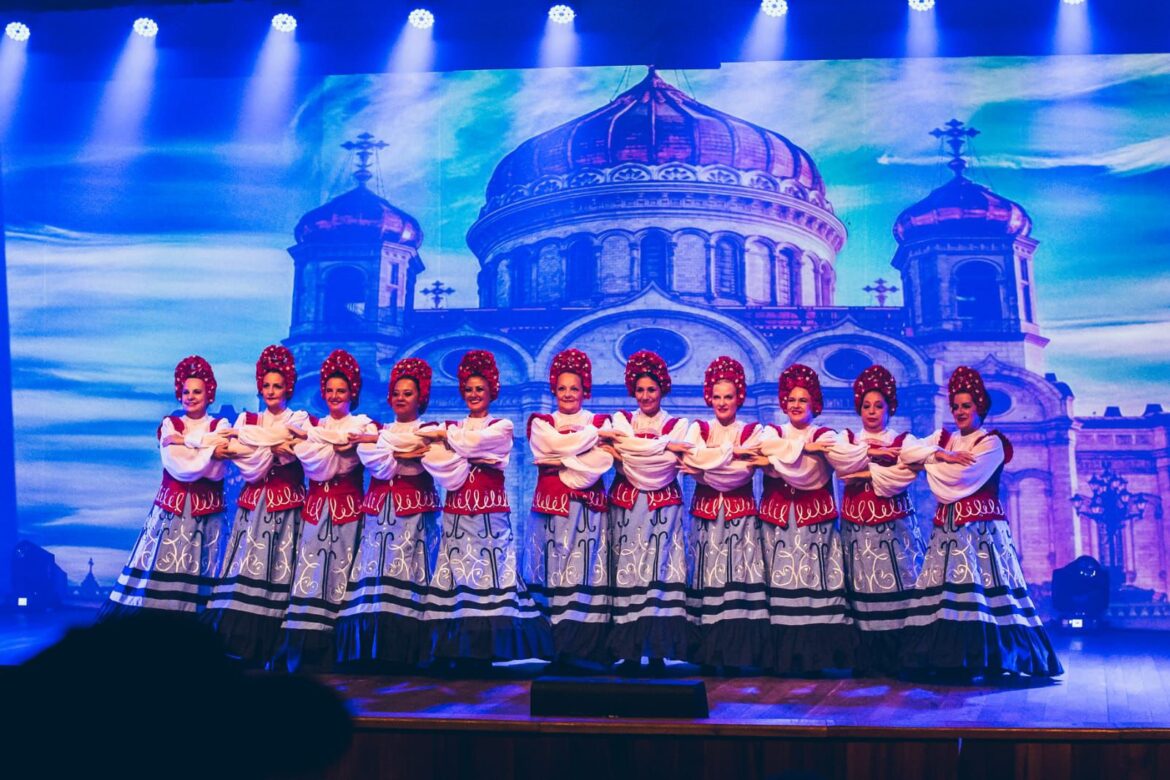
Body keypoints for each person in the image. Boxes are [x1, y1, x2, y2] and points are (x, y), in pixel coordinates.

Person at [898, 366, 1063, 678]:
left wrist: (928, 462)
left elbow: (960, 479)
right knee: (946, 594)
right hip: (948, 531)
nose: (960, 412)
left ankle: (986, 658)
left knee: (984, 591)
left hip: (981, 531)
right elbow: (906, 451)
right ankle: (945, 659)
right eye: (956, 406)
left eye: (966, 406)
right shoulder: (945, 439)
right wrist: (940, 454)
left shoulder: (991, 443)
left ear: (979, 408)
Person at [419, 349, 552, 671]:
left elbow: (474, 446)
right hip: (457, 512)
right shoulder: (454, 426)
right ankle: (455, 650)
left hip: (490, 514)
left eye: (480, 388)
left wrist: (453, 443)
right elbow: (436, 457)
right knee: (457, 575)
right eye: (468, 389)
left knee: (490, 575)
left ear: (492, 391)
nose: (474, 394)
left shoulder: (502, 425)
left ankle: (485, 650)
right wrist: (466, 450)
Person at [100, 355, 232, 619]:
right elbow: (179, 465)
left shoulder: (221, 425)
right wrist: (207, 448)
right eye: (186, 392)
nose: (190, 397)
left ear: (209, 394)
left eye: (197, 391)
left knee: (203, 572)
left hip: (208, 515)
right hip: (172, 511)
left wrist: (188, 442)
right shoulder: (171, 424)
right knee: (161, 568)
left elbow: (216, 469)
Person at [204, 345, 309, 665]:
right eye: (266, 386)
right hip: (252, 505)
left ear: (288, 388)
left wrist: (255, 440)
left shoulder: (299, 418)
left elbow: (293, 451)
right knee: (244, 566)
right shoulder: (247, 418)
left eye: (277, 386)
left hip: (286, 505)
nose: (271, 391)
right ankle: (238, 641)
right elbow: (237, 451)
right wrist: (273, 444)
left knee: (279, 570)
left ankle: (274, 645)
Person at [750, 363, 856, 674]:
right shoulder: (773, 432)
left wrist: (778, 460)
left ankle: (816, 657)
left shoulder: (826, 434)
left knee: (814, 581)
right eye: (792, 399)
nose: (796, 405)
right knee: (780, 582)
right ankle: (783, 657)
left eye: (803, 400)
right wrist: (807, 449)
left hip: (814, 521)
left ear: (814, 404)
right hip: (779, 520)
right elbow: (768, 447)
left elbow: (794, 462)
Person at [336, 357, 441, 669]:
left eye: (407, 393)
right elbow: (375, 459)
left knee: (409, 573)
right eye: (396, 393)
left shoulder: (428, 430)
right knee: (375, 573)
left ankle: (408, 652)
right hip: (380, 512)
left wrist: (384, 445)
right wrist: (400, 452)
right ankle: (372, 649)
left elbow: (420, 452)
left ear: (420, 397)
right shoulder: (375, 428)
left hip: (414, 513)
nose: (400, 398)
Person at [274, 349, 371, 672]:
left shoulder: (361, 424)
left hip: (348, 511)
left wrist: (318, 440)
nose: (334, 396)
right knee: (310, 575)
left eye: (341, 390)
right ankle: (304, 650)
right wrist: (324, 441)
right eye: (329, 390)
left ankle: (338, 652)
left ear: (352, 393)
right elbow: (308, 452)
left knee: (341, 576)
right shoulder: (313, 422)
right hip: (316, 511)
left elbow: (350, 449)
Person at [828, 364, 926, 674]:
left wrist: (866, 471)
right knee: (861, 585)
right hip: (857, 526)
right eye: (866, 406)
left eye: (878, 405)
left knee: (900, 580)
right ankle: (866, 657)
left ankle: (903, 655)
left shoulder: (904, 440)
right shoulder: (847, 439)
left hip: (895, 526)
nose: (872, 412)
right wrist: (880, 462)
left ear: (889, 408)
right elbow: (843, 471)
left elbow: (906, 473)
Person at [602, 350, 693, 673]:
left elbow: (667, 464)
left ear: (662, 389)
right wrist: (662, 446)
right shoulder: (621, 420)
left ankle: (657, 654)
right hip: (627, 506)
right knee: (628, 572)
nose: (645, 396)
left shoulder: (679, 424)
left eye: (651, 389)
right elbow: (636, 451)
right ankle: (629, 653)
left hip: (663, 507)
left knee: (660, 572)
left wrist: (630, 455)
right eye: (640, 390)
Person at [524, 348, 614, 669]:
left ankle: (585, 648)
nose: (567, 394)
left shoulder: (599, 422)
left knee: (584, 572)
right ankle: (556, 647)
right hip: (550, 510)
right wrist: (582, 448)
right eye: (562, 388)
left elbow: (601, 461)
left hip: (587, 510)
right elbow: (548, 446)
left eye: (574, 388)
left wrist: (559, 462)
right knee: (552, 572)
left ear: (584, 389)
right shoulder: (542, 422)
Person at [681, 356, 771, 672]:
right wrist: (730, 454)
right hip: (706, 518)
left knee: (738, 579)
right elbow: (693, 458)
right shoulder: (699, 428)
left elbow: (741, 474)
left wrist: (704, 470)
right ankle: (707, 655)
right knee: (707, 579)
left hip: (740, 517)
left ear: (738, 398)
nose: (722, 403)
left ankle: (737, 655)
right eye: (717, 396)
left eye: (728, 397)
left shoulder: (752, 430)